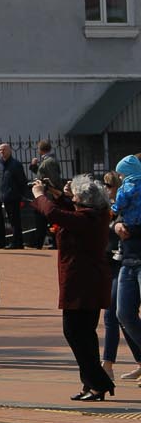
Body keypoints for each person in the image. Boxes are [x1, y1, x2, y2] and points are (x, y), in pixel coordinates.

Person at [33, 174, 116, 400]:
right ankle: (91, 384)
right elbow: (67, 211)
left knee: (75, 333)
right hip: (88, 283)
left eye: (76, 196)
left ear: (84, 201)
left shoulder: (86, 219)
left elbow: (54, 213)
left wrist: (40, 195)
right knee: (85, 335)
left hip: (82, 284)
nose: (73, 198)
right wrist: (59, 194)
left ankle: (99, 382)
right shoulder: (94, 214)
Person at [108, 155, 141, 382]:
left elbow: (116, 207)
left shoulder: (128, 188)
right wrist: (117, 224)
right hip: (128, 259)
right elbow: (116, 217)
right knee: (123, 314)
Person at [29, 140, 66, 248]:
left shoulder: (49, 161)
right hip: (47, 194)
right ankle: (40, 242)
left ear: (40, 150)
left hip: (49, 195)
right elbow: (43, 173)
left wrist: (49, 188)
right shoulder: (48, 161)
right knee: (43, 220)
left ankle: (50, 243)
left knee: (46, 219)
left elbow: (52, 179)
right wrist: (34, 167)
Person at [0, 143, 31, 250]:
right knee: (11, 220)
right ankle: (17, 242)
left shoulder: (16, 164)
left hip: (13, 196)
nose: (2, 152)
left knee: (15, 221)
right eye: (0, 150)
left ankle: (17, 242)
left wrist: (20, 194)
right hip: (4, 196)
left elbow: (22, 180)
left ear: (10, 150)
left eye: (4, 149)